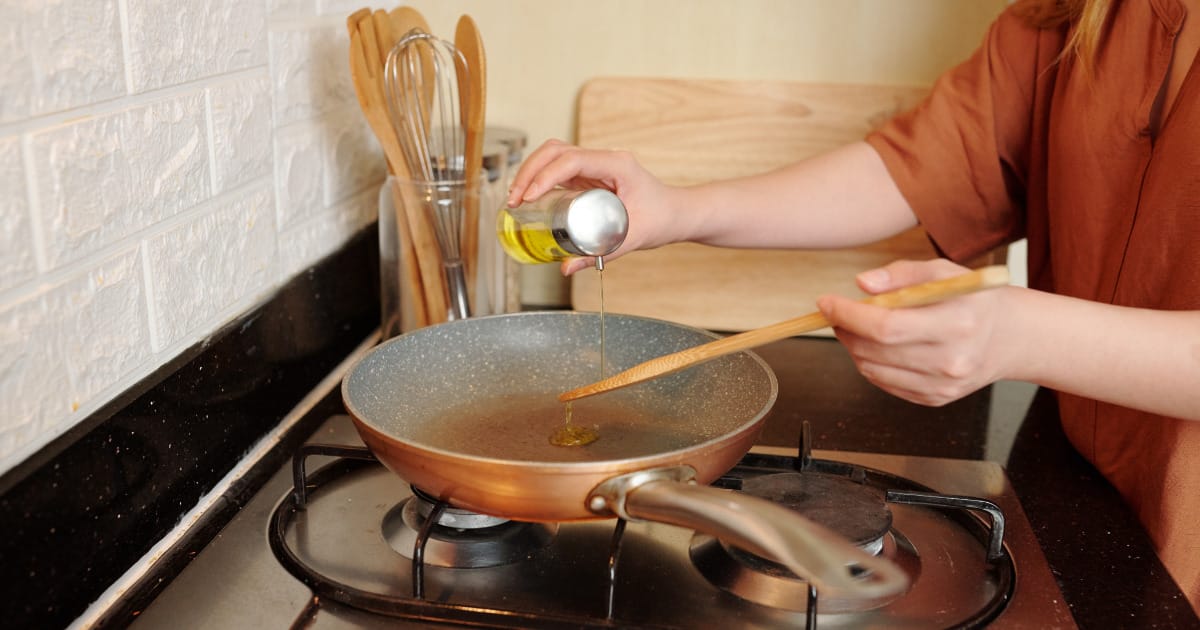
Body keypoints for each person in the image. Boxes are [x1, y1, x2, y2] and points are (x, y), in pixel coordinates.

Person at [505, 0, 1200, 614]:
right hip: (1077, 484)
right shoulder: (1081, 12)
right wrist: (683, 208)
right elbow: (922, 165)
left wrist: (1030, 336)